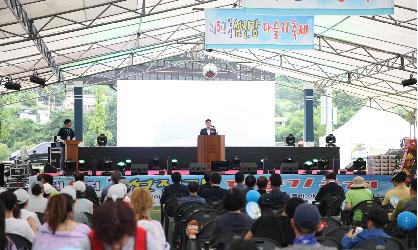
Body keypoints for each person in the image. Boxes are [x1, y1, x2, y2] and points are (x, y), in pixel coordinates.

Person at [80, 200, 147, 250]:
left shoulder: (144, 238)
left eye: (120, 240)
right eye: (109, 242)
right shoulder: (89, 240)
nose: (116, 247)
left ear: (130, 232)